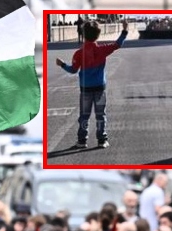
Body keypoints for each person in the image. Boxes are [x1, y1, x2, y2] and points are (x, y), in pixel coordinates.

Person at [55, 20, 129, 149]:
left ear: (83, 35)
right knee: (101, 115)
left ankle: (82, 140)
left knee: (84, 116)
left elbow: (73, 70)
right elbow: (118, 44)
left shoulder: (79, 53)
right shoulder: (102, 50)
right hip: (100, 88)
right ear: (98, 35)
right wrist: (124, 30)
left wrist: (62, 64)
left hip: (85, 89)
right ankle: (102, 140)